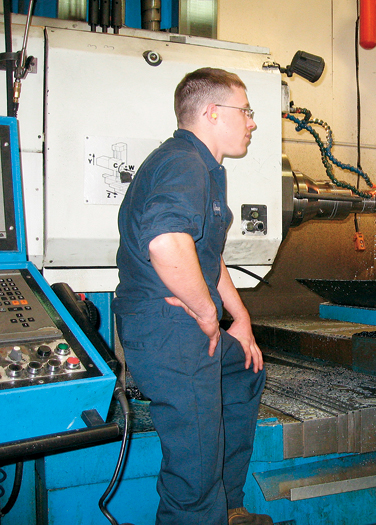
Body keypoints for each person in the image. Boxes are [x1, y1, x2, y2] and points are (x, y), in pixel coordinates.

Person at [112, 67, 272, 525]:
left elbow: (206, 254)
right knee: (194, 470)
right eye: (246, 112)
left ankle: (228, 508)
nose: (253, 122)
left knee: (244, 365)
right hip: (171, 333)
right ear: (212, 112)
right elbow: (165, 243)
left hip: (183, 328)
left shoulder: (204, 167)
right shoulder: (184, 162)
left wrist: (238, 318)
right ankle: (202, 511)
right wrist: (207, 314)